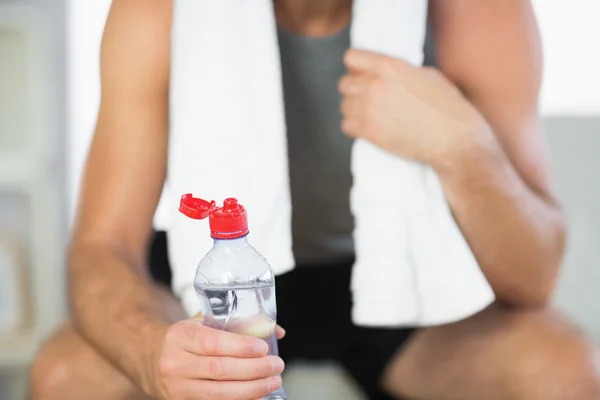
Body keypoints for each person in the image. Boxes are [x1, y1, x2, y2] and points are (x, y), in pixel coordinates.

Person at [30, 0, 600, 399]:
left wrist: (462, 146)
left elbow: (535, 276)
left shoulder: (476, 10)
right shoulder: (159, 8)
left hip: (397, 272)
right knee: (63, 377)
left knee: (568, 370)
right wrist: (153, 355)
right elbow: (102, 246)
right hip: (223, 274)